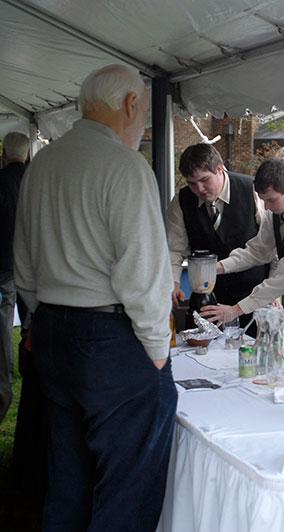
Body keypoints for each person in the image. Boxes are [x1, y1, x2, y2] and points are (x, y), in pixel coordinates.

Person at [14, 64, 177, 531]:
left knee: (68, 478)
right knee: (126, 489)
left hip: (53, 330)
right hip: (107, 337)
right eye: (141, 109)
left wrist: (37, 317)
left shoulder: (43, 163)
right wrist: (157, 350)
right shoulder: (125, 165)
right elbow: (143, 270)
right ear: (130, 104)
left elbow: (24, 260)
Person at [201, 158, 284, 335]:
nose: (267, 207)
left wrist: (234, 310)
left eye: (271, 200)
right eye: (263, 200)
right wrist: (218, 267)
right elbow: (258, 251)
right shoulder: (275, 213)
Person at [166, 143, 267, 328]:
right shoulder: (181, 201)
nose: (199, 189)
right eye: (191, 183)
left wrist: (274, 293)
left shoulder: (252, 190)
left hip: (254, 296)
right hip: (206, 298)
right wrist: (173, 282)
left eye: (204, 180)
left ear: (220, 169)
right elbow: (174, 250)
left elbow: (272, 246)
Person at [0, 131, 29, 422]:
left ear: (4, 154)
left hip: (5, 264)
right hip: (32, 266)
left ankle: (6, 377)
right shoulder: (36, 180)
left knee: (5, 325)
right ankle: (29, 368)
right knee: (30, 322)